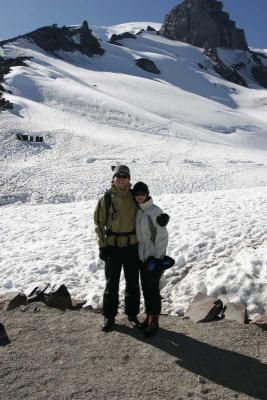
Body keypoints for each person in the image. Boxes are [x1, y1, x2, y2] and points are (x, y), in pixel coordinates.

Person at [94, 165, 141, 331]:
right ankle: (109, 315)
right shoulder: (106, 198)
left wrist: (161, 218)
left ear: (129, 179)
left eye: (125, 176)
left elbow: (148, 212)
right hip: (112, 248)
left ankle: (132, 315)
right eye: (118, 176)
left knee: (133, 283)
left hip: (132, 247)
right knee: (111, 283)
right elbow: (99, 224)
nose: (121, 179)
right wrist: (102, 246)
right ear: (113, 178)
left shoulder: (135, 196)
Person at [133, 181, 169, 337]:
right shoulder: (139, 211)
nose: (140, 196)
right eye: (137, 194)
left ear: (147, 194)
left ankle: (154, 320)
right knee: (146, 288)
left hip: (153, 257)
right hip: (142, 257)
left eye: (143, 193)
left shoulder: (154, 211)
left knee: (153, 289)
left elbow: (162, 236)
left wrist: (158, 258)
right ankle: (148, 316)